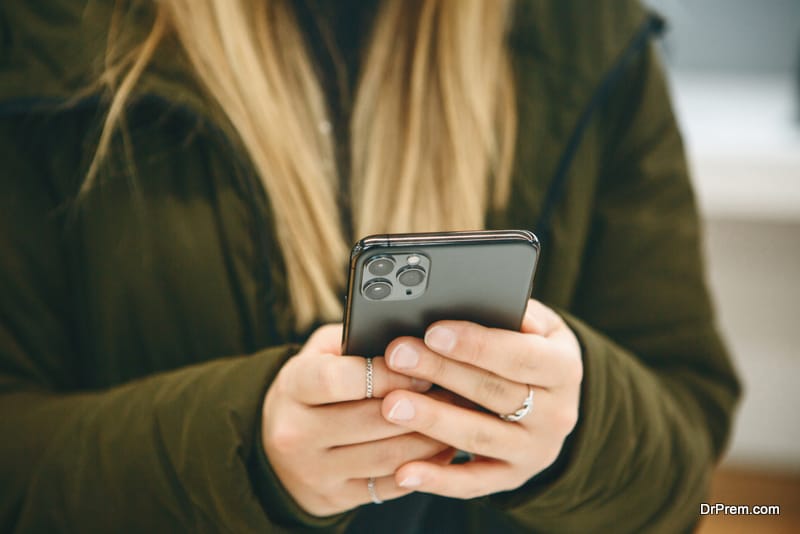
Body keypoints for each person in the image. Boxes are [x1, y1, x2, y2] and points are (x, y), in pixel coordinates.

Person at [0, 0, 740, 532]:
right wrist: (245, 456)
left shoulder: (591, 39)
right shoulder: (47, 36)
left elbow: (684, 480)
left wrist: (575, 437)